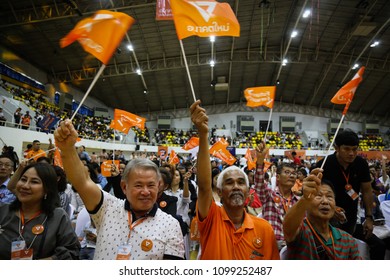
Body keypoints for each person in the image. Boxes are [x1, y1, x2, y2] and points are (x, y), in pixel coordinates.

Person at [54, 119, 185, 260]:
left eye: (151, 185)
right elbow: (83, 182)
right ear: (124, 187)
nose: (146, 191)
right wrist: (68, 149)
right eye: (138, 185)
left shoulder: (171, 225)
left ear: (159, 186)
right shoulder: (106, 207)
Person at [190, 100, 279, 260]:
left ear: (248, 191)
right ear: (219, 192)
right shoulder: (211, 218)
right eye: (229, 183)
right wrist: (203, 135)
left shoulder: (264, 229)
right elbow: (203, 187)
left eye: (241, 182)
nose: (236, 186)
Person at [0, 162, 80, 259]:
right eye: (23, 179)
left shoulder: (58, 217)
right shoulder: (3, 211)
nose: (25, 186)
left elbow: (72, 251)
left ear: (47, 189)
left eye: (34, 182)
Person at [282, 169, 360, 259]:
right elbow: (288, 226)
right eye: (318, 195)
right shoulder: (300, 232)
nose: (325, 201)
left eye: (329, 196)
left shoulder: (347, 240)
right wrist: (305, 198)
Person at [315, 130, 373, 237]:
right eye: (346, 149)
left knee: (347, 248)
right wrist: (332, 207)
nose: (351, 153)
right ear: (337, 148)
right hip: (326, 217)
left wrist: (369, 217)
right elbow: (315, 194)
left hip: (351, 216)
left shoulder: (361, 164)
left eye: (354, 149)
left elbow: (367, 191)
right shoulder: (323, 165)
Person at [254, 141, 300, 250]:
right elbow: (259, 183)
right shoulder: (269, 195)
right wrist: (260, 161)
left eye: (293, 174)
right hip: (270, 244)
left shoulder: (299, 202)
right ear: (278, 177)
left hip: (293, 247)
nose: (291, 176)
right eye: (287, 172)